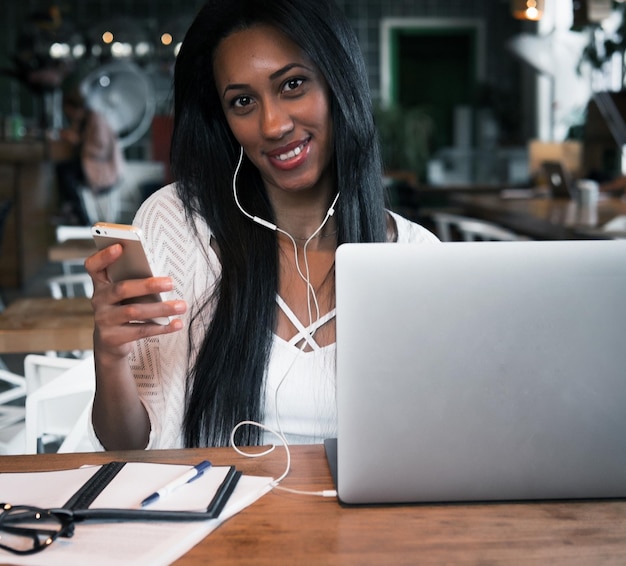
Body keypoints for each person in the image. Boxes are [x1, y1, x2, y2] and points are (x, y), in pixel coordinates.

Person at [84, 0, 439, 451]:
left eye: (293, 85)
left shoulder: (415, 256)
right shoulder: (176, 226)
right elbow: (126, 445)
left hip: (367, 521)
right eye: (243, 101)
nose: (272, 125)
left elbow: (437, 445)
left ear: (338, 84)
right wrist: (110, 355)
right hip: (213, 516)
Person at [55, 84, 124, 224]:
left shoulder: (96, 119)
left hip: (102, 170)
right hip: (90, 166)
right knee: (64, 171)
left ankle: (80, 216)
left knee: (65, 173)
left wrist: (78, 141)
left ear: (77, 108)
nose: (70, 115)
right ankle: (75, 211)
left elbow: (101, 147)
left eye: (70, 111)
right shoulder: (83, 120)